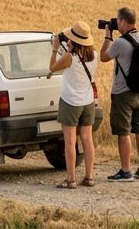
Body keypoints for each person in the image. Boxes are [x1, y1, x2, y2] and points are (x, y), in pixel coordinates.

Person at [101, 6, 139, 181]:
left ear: (122, 21)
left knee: (123, 132)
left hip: (123, 93)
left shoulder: (120, 43)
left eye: (117, 21)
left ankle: (125, 171)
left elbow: (103, 56)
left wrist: (108, 36)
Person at [49, 21, 98, 188]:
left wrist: (56, 48)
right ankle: (89, 177)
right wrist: (70, 49)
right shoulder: (94, 55)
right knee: (87, 139)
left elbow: (53, 67)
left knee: (70, 140)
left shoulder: (69, 57)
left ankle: (71, 179)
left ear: (73, 40)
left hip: (70, 101)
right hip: (87, 102)